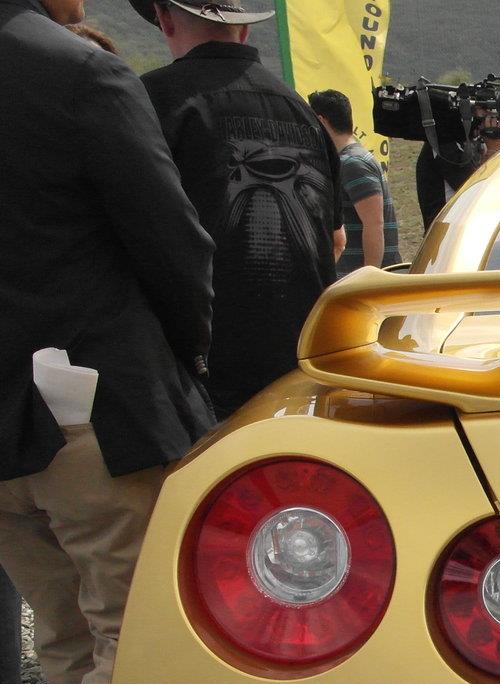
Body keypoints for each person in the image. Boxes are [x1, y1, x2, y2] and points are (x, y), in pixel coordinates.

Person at [0, 0, 215, 684]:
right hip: (93, 398)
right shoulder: (78, 72)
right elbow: (172, 239)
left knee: (63, 629)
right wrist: (188, 360)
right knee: (132, 628)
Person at [135, 0, 341, 420]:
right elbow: (335, 240)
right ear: (243, 29)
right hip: (300, 362)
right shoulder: (302, 111)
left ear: (165, 18)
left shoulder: (150, 100)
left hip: (202, 368)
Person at [307, 89, 399, 274]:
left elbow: (374, 224)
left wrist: (369, 277)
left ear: (321, 121)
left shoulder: (352, 163)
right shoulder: (349, 160)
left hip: (365, 284)